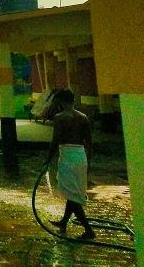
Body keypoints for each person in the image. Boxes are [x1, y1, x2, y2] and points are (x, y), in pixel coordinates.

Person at [45, 88, 95, 239]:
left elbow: (55, 141)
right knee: (73, 191)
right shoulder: (83, 117)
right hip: (81, 155)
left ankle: (88, 230)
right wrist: (88, 162)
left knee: (72, 194)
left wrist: (47, 159)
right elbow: (89, 142)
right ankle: (64, 221)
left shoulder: (60, 118)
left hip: (67, 156)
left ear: (60, 101)